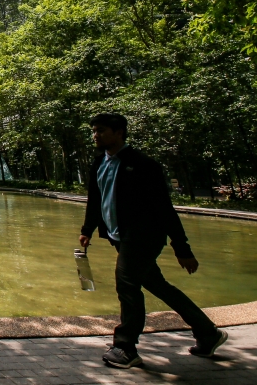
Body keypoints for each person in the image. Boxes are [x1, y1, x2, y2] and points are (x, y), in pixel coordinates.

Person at [80, 113, 228, 369]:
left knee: (126, 285)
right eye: (94, 131)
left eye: (101, 130)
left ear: (119, 132)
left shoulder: (143, 164)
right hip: (119, 236)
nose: (96, 135)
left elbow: (164, 208)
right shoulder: (98, 164)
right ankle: (207, 332)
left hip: (143, 235)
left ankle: (125, 347)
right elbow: (96, 200)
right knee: (158, 285)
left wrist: (181, 248)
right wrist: (87, 229)